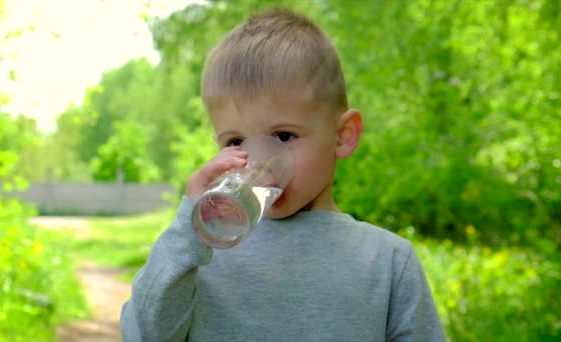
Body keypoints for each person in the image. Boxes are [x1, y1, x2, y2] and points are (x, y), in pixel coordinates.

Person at [121, 8, 444, 342]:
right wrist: (188, 227)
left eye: (283, 137)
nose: (258, 162)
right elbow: (142, 334)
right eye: (236, 141)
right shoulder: (200, 254)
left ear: (342, 135)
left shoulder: (388, 261)